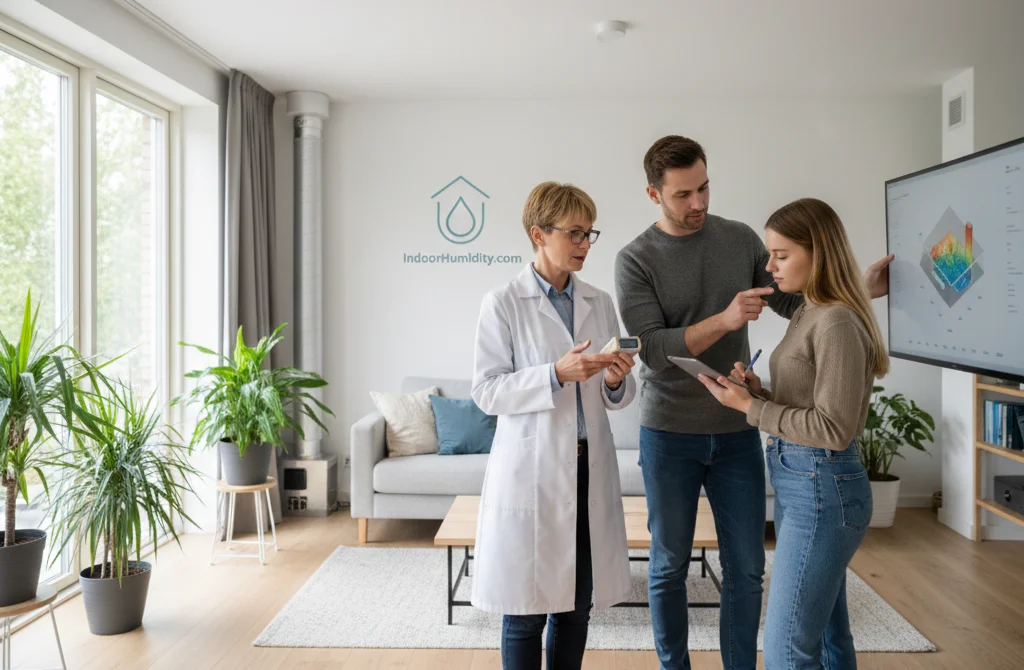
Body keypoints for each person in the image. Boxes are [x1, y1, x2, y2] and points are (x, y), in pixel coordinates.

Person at [613, 136, 892, 670]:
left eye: (704, 188)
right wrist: (725, 319)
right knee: (669, 566)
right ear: (654, 195)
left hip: (740, 429)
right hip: (669, 431)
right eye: (682, 195)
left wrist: (858, 288)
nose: (698, 203)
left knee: (746, 570)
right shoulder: (635, 259)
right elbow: (649, 350)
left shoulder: (740, 239)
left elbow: (801, 299)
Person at [697, 197, 887, 669]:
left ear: (817, 252)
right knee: (826, 637)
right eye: (770, 254)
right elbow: (812, 397)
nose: (769, 266)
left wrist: (752, 407)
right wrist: (760, 391)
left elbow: (834, 428)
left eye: (781, 255)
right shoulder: (810, 310)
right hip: (801, 483)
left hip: (821, 488)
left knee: (786, 648)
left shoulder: (836, 319)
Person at [470, 181, 638, 670]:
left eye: (590, 234)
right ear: (538, 234)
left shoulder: (599, 301)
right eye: (576, 234)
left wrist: (614, 379)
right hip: (533, 470)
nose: (585, 245)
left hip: (589, 470)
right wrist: (554, 374)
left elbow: (617, 395)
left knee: (576, 608)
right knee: (525, 611)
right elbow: (486, 391)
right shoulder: (502, 302)